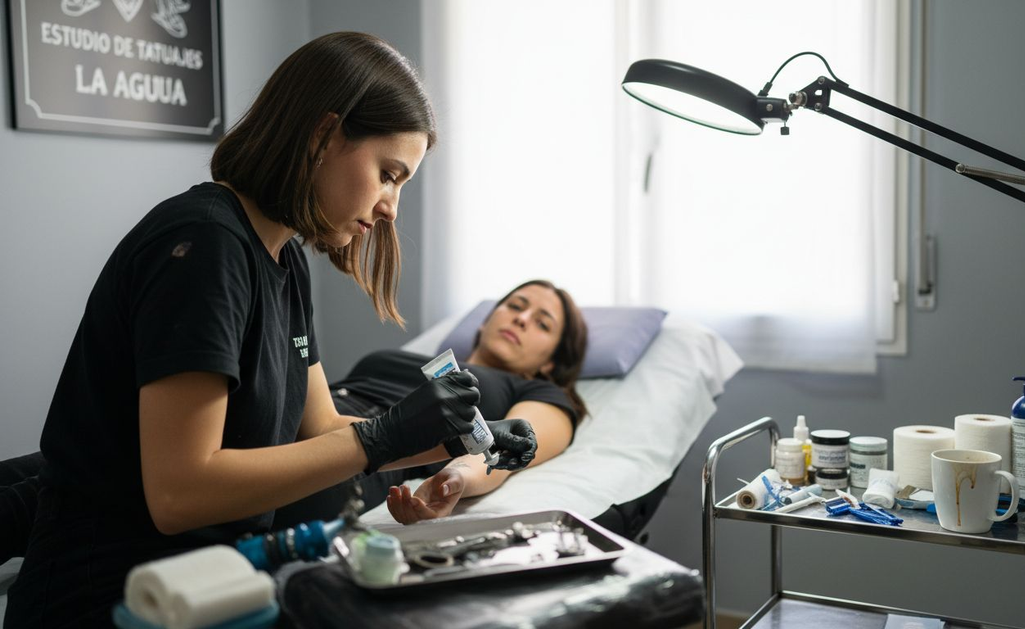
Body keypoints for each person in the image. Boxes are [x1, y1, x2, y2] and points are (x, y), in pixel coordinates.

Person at [5, 33, 535, 628]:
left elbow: (323, 427)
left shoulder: (282, 262)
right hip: (114, 597)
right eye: (388, 174)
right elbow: (180, 493)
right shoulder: (206, 246)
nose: (391, 207)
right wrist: (385, 434)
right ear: (322, 135)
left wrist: (468, 441)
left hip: (206, 583)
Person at [270, 279, 589, 528]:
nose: (522, 319)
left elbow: (513, 446)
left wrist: (456, 479)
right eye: (515, 306)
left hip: (362, 458)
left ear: (551, 363)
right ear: (484, 322)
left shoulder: (535, 390)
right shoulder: (419, 359)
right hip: (289, 414)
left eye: (542, 324)